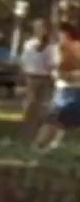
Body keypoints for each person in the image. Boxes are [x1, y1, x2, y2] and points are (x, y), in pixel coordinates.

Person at [35, 18, 80, 149]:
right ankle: (44, 148)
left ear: (66, 33)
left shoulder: (75, 47)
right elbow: (55, 69)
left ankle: (41, 148)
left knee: (55, 120)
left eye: (58, 34)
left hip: (74, 91)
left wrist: (73, 75)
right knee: (56, 121)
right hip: (64, 90)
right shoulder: (57, 48)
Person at [20, 19, 54, 138]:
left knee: (42, 105)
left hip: (44, 77)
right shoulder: (29, 44)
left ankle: (40, 131)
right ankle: (28, 130)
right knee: (30, 104)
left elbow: (51, 63)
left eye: (41, 27)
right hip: (31, 77)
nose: (38, 30)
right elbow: (24, 61)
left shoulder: (50, 46)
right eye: (36, 27)